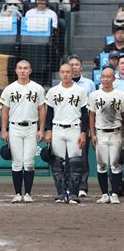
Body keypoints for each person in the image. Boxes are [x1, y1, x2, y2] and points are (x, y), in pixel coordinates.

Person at [0, 60, 46, 203]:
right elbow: (5, 110)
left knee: (29, 161)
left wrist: (41, 129)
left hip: (32, 127)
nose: (23, 71)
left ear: (30, 71)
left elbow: (42, 109)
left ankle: (27, 193)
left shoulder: (37, 88)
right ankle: (18, 193)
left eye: (25, 68)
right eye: (20, 68)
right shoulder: (9, 88)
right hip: (14, 127)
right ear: (16, 70)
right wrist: (3, 129)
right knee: (17, 162)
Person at [45, 63, 88, 204]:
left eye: (68, 72)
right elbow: (49, 113)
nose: (65, 74)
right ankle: (62, 193)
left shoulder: (80, 91)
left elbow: (84, 114)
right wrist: (48, 130)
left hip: (74, 128)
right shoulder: (53, 91)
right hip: (57, 128)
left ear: (72, 73)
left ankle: (74, 194)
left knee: (75, 163)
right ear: (59, 73)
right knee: (57, 164)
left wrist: (83, 132)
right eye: (62, 72)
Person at [88, 67, 123, 204]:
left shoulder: (120, 95)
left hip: (116, 132)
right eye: (103, 76)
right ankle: (104, 194)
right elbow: (91, 115)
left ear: (114, 78)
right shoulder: (94, 95)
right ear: (100, 78)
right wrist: (92, 133)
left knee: (115, 164)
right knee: (101, 164)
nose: (105, 79)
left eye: (108, 76)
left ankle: (114, 193)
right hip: (100, 133)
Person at [67, 54, 95, 197]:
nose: (74, 67)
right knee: (68, 157)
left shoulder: (89, 84)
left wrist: (91, 128)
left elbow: (92, 107)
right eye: (71, 64)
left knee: (82, 158)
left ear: (81, 67)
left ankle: (82, 187)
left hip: (83, 124)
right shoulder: (63, 84)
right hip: (67, 124)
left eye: (76, 64)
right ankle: (69, 186)